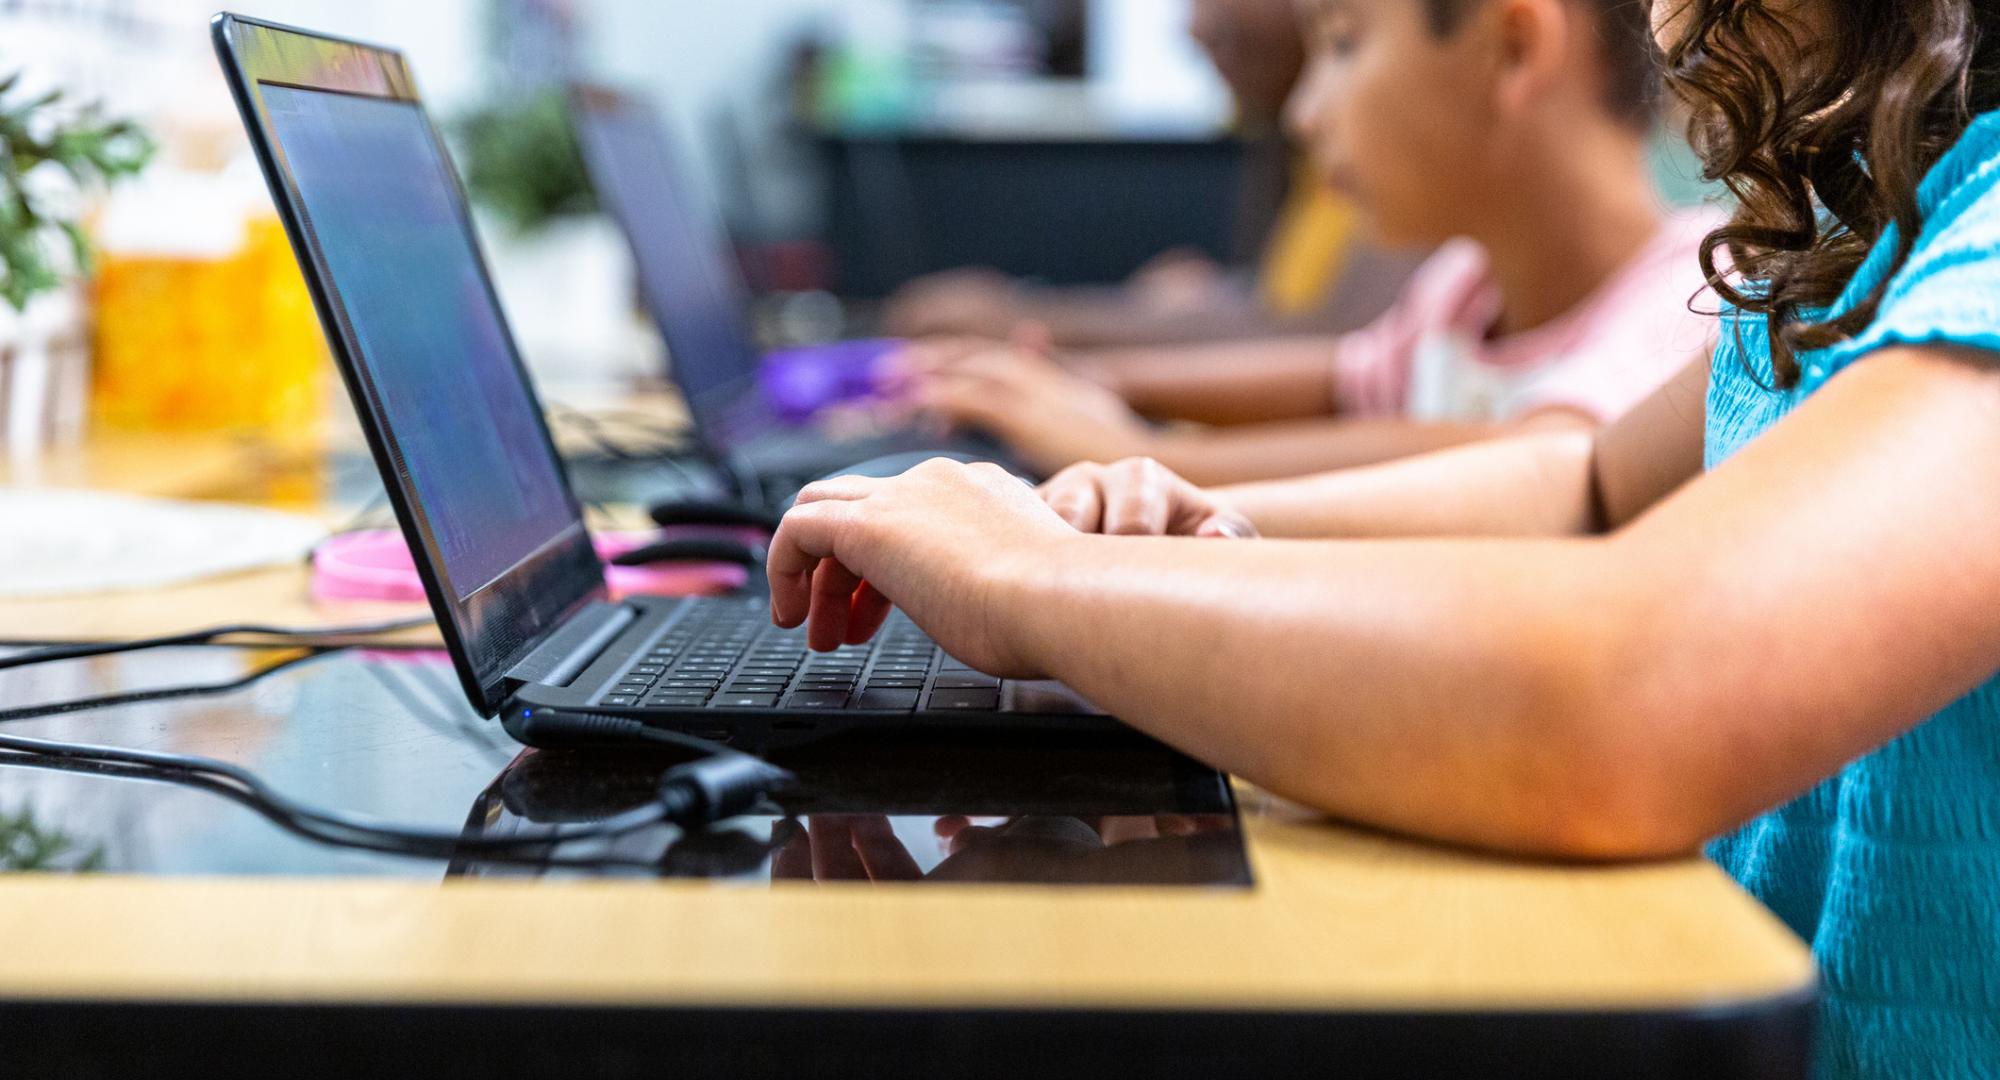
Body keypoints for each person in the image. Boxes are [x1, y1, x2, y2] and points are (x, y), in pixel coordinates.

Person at [766, 0, 2000, 1074]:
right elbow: (1584, 487)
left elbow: (1637, 692)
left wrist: (1039, 580)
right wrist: (1183, 534)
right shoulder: (1860, 226)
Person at [891, 0, 1719, 484]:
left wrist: (1140, 455)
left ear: (1513, 47)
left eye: (1346, 44)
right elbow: (1346, 378)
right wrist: (1082, 382)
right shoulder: (1466, 285)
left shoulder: (1698, 289)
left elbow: (1548, 463)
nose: (1305, 112)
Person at [880, 0, 1421, 349]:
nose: (1195, 26)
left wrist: (1031, 330)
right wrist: (1215, 299)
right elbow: (1305, 324)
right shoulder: (1297, 135)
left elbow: (1340, 346)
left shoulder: (1399, 147)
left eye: (1346, 40)